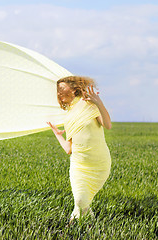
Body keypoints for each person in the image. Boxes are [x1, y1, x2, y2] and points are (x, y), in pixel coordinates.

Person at [47, 76, 112, 224]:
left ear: (73, 89)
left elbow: (107, 125)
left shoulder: (89, 105)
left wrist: (98, 103)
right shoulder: (69, 116)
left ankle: (81, 227)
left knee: (82, 202)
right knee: (81, 200)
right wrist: (58, 135)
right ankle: (82, 226)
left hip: (98, 164)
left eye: (61, 88)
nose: (59, 92)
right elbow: (69, 149)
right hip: (79, 165)